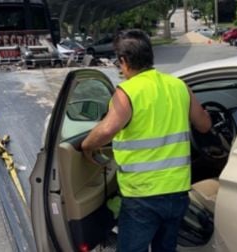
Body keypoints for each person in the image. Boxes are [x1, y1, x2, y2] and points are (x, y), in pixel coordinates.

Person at [81, 29, 211, 252]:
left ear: (123, 61)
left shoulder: (127, 92)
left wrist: (86, 146)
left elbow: (108, 129)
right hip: (178, 192)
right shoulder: (178, 86)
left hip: (143, 196)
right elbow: (205, 125)